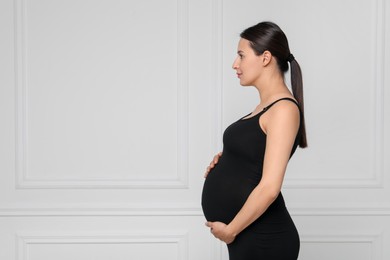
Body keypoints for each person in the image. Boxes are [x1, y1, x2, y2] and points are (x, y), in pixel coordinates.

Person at [201, 21, 307, 260]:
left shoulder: (284, 110)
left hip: (265, 238)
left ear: (265, 57)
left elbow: (270, 187)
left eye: (241, 55)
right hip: (250, 237)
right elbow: (254, 158)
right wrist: (229, 161)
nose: (234, 65)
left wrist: (231, 230)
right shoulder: (264, 108)